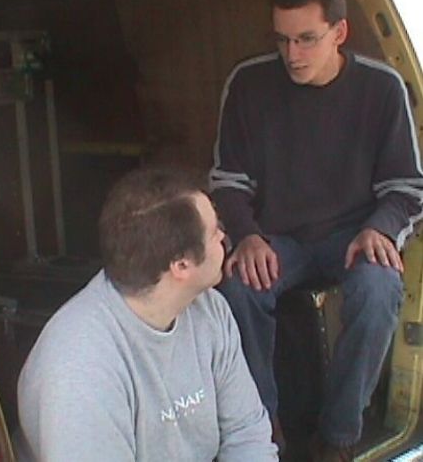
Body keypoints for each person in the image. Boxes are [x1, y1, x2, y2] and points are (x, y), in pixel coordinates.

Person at [210, 0, 423, 461]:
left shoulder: (382, 88)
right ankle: (261, 427)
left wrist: (380, 229)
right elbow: (228, 180)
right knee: (238, 287)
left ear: (340, 32)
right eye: (282, 39)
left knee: (378, 288)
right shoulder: (248, 82)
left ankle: (339, 435)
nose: (293, 54)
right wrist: (246, 235)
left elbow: (407, 187)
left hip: (353, 236)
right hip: (276, 238)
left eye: (307, 39)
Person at [17, 167, 278, 461]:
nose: (223, 236)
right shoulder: (80, 367)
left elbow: (246, 433)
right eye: (213, 231)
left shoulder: (210, 310)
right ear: (181, 265)